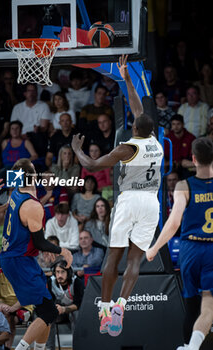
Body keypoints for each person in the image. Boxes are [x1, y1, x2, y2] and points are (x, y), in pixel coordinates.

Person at [71, 55, 163, 336]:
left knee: (114, 257)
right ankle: (122, 304)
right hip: (151, 202)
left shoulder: (127, 148)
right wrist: (126, 79)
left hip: (130, 200)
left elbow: (91, 165)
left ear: (135, 129)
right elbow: (139, 111)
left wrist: (77, 149)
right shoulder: (154, 142)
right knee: (134, 260)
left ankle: (105, 308)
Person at [146, 137, 213, 350]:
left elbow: (173, 223)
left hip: (191, 250)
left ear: (193, 159)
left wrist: (155, 247)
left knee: (191, 305)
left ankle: (187, 346)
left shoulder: (184, 185)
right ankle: (192, 346)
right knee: (208, 304)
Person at [0, 158, 73, 350]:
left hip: (18, 257)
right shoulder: (32, 206)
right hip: (18, 261)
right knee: (49, 313)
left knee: (46, 309)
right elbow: (40, 240)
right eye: (34, 171)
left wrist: (43, 249)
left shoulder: (16, 193)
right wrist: (61, 251)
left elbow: (29, 228)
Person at [0, 268, 33, 349]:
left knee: (10, 318)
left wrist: (12, 308)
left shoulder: (24, 273)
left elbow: (27, 295)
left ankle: (7, 347)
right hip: (2, 306)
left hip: (21, 305)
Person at [46, 257, 84, 350]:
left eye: (62, 272)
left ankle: (78, 346)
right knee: (48, 315)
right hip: (58, 311)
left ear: (69, 273)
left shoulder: (76, 282)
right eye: (57, 272)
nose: (59, 275)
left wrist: (64, 309)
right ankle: (49, 348)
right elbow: (50, 301)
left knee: (76, 314)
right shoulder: (51, 281)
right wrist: (54, 309)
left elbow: (78, 304)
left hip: (72, 310)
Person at [164, 114, 196, 178]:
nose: (175, 127)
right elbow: (164, 158)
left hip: (186, 168)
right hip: (172, 167)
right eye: (173, 124)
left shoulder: (191, 138)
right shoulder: (167, 138)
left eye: (178, 124)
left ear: (183, 124)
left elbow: (194, 157)